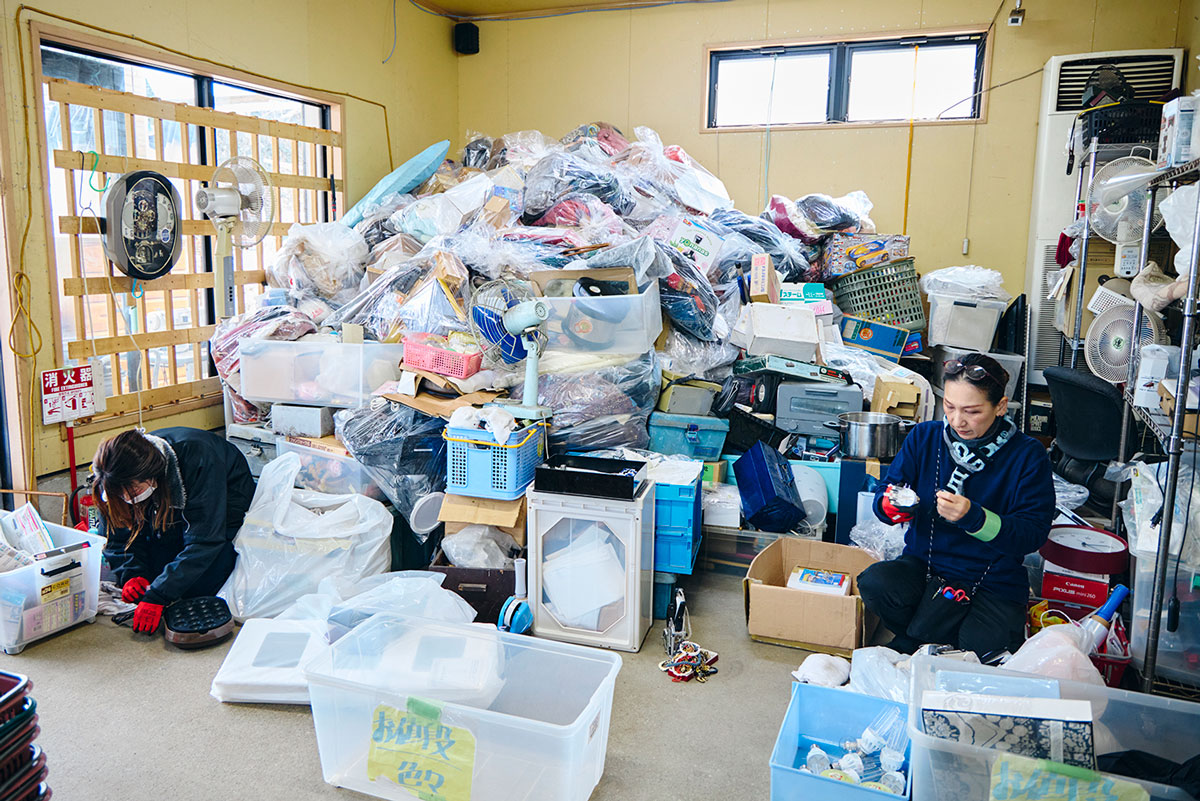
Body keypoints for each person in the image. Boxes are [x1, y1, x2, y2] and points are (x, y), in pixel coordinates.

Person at [856, 353, 1055, 657]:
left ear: (1000, 406)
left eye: (972, 411)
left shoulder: (1028, 455)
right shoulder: (924, 437)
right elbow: (885, 497)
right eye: (949, 407)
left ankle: (922, 636)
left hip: (993, 580)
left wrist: (974, 517)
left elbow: (1033, 534)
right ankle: (922, 634)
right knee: (875, 583)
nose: (957, 421)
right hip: (926, 567)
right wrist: (893, 506)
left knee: (983, 651)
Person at [92, 427, 255, 635]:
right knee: (155, 573)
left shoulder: (199, 457)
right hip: (170, 500)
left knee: (200, 588)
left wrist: (158, 596)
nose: (125, 497)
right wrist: (131, 573)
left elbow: (204, 539)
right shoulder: (109, 478)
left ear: (153, 476)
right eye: (119, 493)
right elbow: (117, 537)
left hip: (224, 505)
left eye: (133, 491)